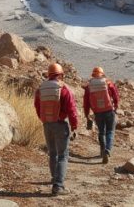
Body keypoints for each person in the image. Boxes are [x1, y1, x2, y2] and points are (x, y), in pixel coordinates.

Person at [34, 63, 78, 196]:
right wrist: (74, 126)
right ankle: (58, 186)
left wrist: (44, 120)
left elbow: (37, 106)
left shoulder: (41, 88)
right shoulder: (63, 89)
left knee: (52, 153)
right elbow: (72, 110)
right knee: (63, 155)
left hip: (47, 124)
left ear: (49, 74)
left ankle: (54, 179)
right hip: (60, 124)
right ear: (61, 75)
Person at [82, 66, 120, 164]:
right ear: (102, 74)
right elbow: (116, 96)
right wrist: (115, 107)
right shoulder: (108, 83)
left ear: (93, 75)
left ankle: (102, 151)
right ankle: (107, 150)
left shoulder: (88, 86)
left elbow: (86, 103)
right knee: (110, 131)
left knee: (101, 132)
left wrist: (87, 115)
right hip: (109, 110)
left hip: (97, 112)